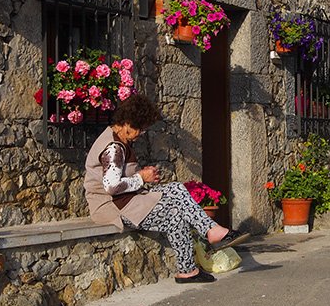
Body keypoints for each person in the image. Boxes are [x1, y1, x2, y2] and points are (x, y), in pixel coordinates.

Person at [84, 94, 249, 283]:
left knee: (176, 197)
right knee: (175, 208)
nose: (141, 134)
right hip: (113, 208)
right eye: (140, 129)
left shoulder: (117, 140)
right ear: (127, 123)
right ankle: (208, 234)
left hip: (124, 202)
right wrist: (141, 177)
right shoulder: (114, 148)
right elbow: (112, 187)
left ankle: (190, 266)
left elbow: (116, 178)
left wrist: (140, 176)